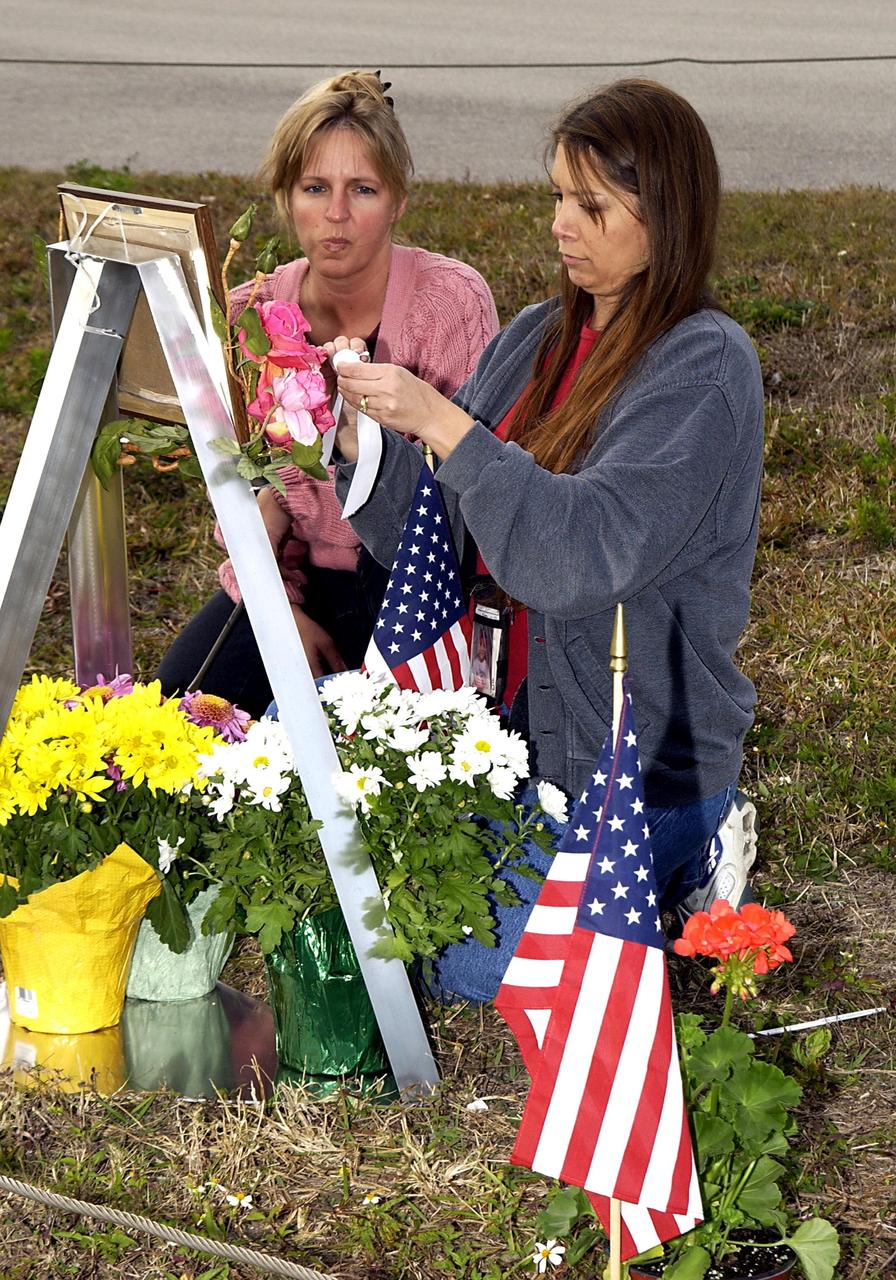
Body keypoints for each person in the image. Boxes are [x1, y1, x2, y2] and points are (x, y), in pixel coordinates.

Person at [329, 79, 764, 1000]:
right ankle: (593, 891)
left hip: (634, 765)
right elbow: (442, 535)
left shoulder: (706, 364)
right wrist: (355, 436)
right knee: (352, 897)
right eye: (558, 197)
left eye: (592, 205)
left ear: (666, 218)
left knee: (471, 960)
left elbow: (577, 556)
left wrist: (445, 425)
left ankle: (695, 856)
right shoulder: (535, 335)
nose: (562, 224)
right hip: (509, 735)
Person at [156, 71, 498, 715]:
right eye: (315, 188)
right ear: (287, 195)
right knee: (182, 715)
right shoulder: (248, 316)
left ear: (397, 200)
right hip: (291, 577)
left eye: (362, 189)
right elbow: (239, 492)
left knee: (375, 759)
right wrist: (280, 607)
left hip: (414, 586)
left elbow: (470, 495)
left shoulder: (450, 302)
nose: (336, 214)